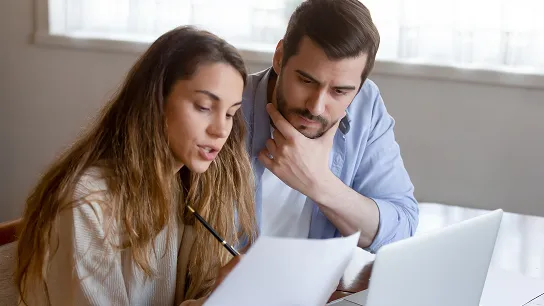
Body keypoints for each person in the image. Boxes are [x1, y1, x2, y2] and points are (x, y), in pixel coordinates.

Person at [14, 26, 257, 306]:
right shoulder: (87, 201)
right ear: (156, 99)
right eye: (203, 107)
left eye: (230, 113)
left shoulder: (196, 188)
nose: (220, 130)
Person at [242, 0, 419, 252]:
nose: (316, 106)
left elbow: (401, 229)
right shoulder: (226, 108)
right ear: (280, 58)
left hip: (323, 289)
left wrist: (319, 183)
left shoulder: (365, 106)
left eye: (339, 91)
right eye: (306, 81)